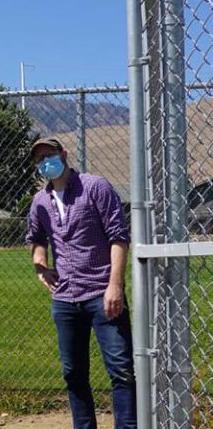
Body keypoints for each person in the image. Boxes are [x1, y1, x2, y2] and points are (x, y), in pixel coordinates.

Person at [25, 137, 137, 429]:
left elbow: (118, 237)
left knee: (121, 371)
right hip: (65, 299)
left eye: (49, 155)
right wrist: (41, 267)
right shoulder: (40, 201)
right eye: (39, 160)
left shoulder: (95, 187)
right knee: (73, 374)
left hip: (102, 294)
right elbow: (36, 238)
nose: (45, 163)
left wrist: (115, 285)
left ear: (64, 154)